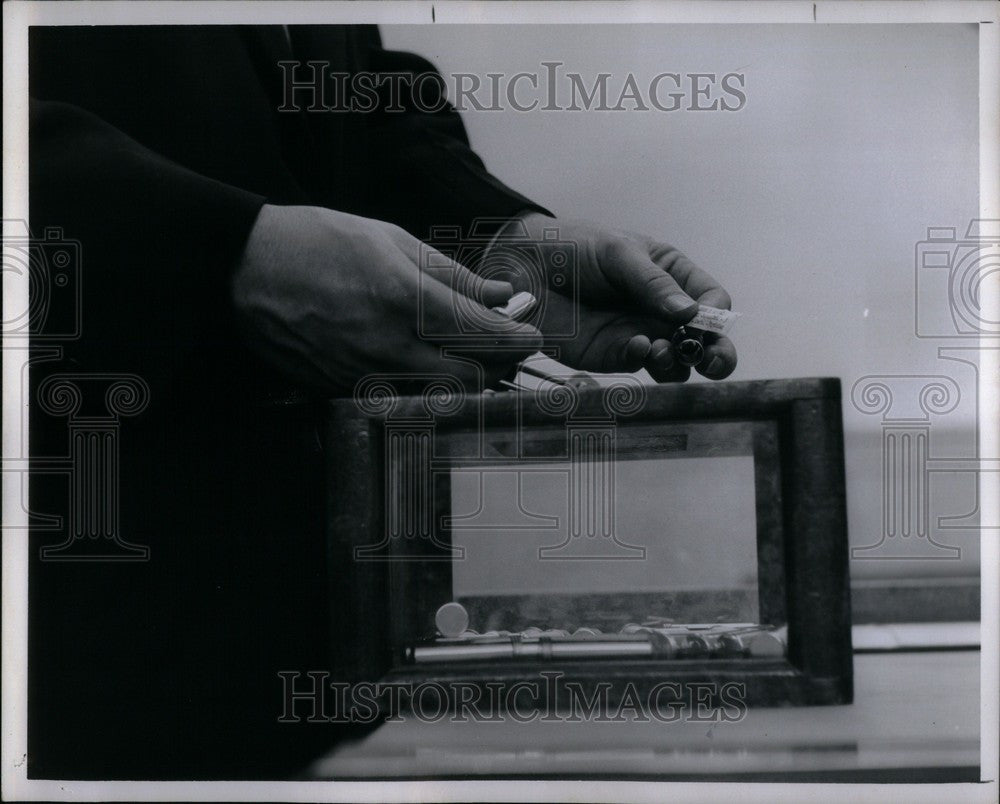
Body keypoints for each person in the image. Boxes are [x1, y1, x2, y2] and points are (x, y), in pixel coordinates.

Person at [27, 25, 736, 779]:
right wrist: (221, 249)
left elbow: (354, 87)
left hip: (291, 666)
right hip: (60, 652)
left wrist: (494, 234)